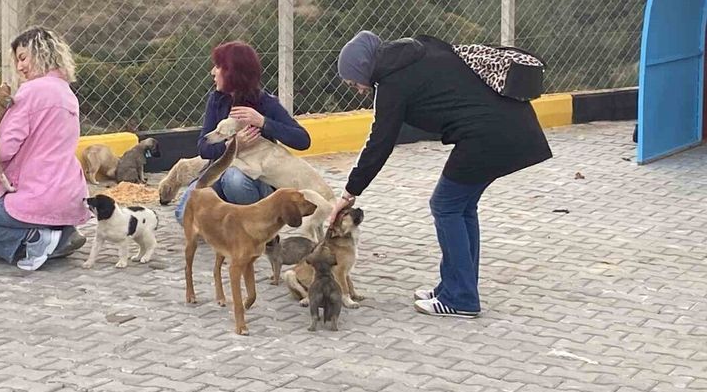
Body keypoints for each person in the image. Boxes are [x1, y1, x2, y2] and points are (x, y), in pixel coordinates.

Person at [328, 31, 552, 318]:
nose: (358, 90)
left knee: (445, 205)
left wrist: (349, 193)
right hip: (511, 129)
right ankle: (454, 287)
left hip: (486, 136)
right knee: (462, 207)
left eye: (353, 83)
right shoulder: (417, 52)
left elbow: (380, 143)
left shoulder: (391, 82)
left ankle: (461, 298)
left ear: (363, 66)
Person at [0, 26, 90, 271]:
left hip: (36, 198)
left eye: (23, 58)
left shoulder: (30, 91)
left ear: (41, 52)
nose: (19, 67)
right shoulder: (67, 92)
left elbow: (2, 151)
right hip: (70, 196)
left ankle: (35, 238)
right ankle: (60, 233)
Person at [174, 40, 311, 224]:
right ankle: (230, 222)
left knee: (234, 180)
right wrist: (233, 146)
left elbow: (303, 140)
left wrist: (263, 122)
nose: (213, 72)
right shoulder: (216, 100)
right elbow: (204, 148)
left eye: (218, 67)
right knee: (184, 215)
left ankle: (260, 223)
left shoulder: (265, 102)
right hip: (218, 172)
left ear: (232, 73)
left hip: (254, 180)